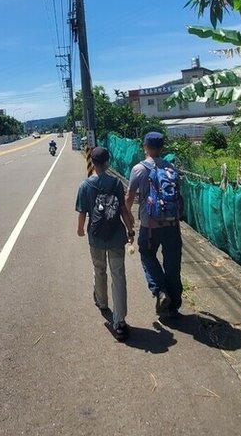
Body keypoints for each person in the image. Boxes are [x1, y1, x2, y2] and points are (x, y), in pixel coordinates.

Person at [76, 146, 135, 341]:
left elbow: (82, 212)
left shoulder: (85, 186)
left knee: (99, 269)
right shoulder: (116, 183)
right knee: (118, 276)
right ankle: (120, 321)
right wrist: (130, 229)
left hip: (96, 238)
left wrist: (80, 229)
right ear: (108, 162)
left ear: (92, 162)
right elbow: (123, 210)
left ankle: (102, 302)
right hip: (116, 236)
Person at [126, 131, 183, 317]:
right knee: (173, 263)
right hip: (172, 224)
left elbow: (129, 196)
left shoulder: (139, 169)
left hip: (149, 226)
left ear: (145, 147)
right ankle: (174, 303)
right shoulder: (171, 168)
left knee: (147, 254)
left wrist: (128, 217)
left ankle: (160, 290)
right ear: (162, 147)